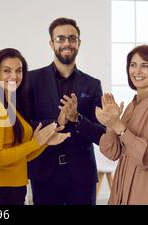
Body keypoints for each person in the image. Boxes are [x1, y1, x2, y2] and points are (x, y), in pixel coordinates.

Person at [26, 17, 105, 205]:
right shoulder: (31, 80)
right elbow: (25, 127)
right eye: (60, 38)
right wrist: (58, 122)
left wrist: (76, 118)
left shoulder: (93, 85)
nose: (67, 43)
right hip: (44, 173)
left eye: (72, 38)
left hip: (82, 175)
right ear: (51, 44)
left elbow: (101, 135)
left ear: (78, 43)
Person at [0, 48, 70, 205]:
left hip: (15, 189)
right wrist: (35, 143)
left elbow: (22, 157)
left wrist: (44, 143)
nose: (14, 76)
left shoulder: (11, 106)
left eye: (19, 71)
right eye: (7, 71)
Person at [95, 45, 148, 205]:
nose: (137, 71)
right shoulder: (133, 104)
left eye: (145, 65)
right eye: (133, 65)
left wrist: (118, 126)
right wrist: (111, 124)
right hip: (122, 179)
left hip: (145, 182)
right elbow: (113, 153)